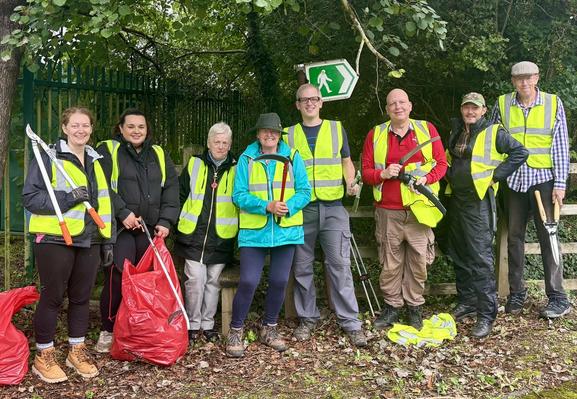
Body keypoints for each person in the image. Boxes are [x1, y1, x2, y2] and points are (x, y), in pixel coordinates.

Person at [23, 107, 114, 383]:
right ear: (65, 127)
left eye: (85, 126)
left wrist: (107, 239)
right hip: (55, 239)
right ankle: (44, 356)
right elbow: (30, 198)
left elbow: (104, 203)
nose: (80, 131)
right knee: (52, 296)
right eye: (75, 125)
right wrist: (67, 198)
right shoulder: (48, 157)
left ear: (91, 129)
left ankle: (76, 349)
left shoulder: (95, 161)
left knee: (81, 297)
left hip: (89, 238)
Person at [284, 83, 367, 347]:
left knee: (340, 265)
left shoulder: (335, 128)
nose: (310, 103)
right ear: (297, 105)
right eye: (304, 99)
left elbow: (346, 161)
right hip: (301, 209)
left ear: (321, 103)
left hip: (333, 208)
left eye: (314, 99)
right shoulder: (288, 134)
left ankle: (350, 322)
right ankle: (308, 318)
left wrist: (351, 183)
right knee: (301, 266)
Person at [225, 113, 311, 358]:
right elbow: (238, 195)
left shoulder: (293, 156)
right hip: (255, 232)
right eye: (265, 131)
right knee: (249, 281)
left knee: (279, 281)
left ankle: (269, 328)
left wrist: (289, 206)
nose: (269, 135)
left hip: (286, 231)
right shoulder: (247, 158)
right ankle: (236, 329)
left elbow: (305, 191)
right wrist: (266, 206)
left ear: (279, 135)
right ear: (258, 134)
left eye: (273, 131)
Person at [361, 88, 448, 330]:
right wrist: (383, 173)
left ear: (410, 106)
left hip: (420, 208)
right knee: (390, 262)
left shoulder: (426, 130)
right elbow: (366, 172)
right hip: (388, 211)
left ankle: (414, 307)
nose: (397, 107)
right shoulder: (375, 135)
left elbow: (442, 164)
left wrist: (428, 179)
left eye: (402, 102)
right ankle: (392, 306)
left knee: (419, 261)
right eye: (392, 104)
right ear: (387, 109)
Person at [95, 108, 179, 352]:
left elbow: (171, 190)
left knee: (146, 281)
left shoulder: (159, 154)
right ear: (120, 128)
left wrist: (166, 221)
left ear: (147, 129)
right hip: (120, 229)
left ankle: (138, 329)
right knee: (117, 277)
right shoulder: (108, 150)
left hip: (149, 229)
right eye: (130, 126)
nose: (136, 131)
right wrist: (123, 213)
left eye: (140, 127)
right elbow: (101, 186)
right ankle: (108, 330)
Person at [492, 61, 571, 318]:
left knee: (549, 236)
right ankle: (517, 294)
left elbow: (560, 144)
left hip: (544, 181)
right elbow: (491, 141)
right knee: (514, 238)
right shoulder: (502, 104)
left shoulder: (552, 103)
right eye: (518, 79)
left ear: (536, 78)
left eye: (528, 78)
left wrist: (560, 184)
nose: (523, 83)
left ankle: (558, 297)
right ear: (513, 81)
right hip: (514, 181)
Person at [445, 92, 528, 338]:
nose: (470, 112)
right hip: (457, 200)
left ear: (483, 111)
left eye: (475, 108)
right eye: (466, 107)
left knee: (480, 259)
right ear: (462, 110)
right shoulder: (458, 131)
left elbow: (520, 153)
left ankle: (486, 314)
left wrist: (496, 175)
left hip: (478, 202)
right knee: (459, 253)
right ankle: (468, 301)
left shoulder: (493, 132)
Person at [174, 122, 238, 343]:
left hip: (222, 236)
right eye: (216, 142)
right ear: (209, 143)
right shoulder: (195, 164)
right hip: (193, 235)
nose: (220, 146)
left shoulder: (237, 168)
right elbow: (180, 194)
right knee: (194, 280)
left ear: (230, 145)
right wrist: (178, 220)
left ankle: (208, 325)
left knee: (213, 282)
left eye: (225, 143)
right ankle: (192, 324)